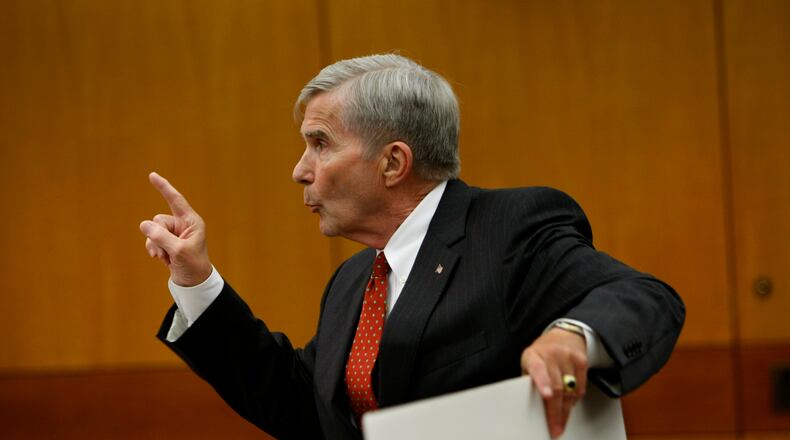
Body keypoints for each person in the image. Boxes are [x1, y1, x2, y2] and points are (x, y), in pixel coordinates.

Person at [139, 54, 684, 440]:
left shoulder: (509, 230)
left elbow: (645, 297)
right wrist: (198, 283)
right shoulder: (354, 281)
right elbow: (304, 408)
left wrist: (572, 336)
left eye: (320, 144)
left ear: (393, 163)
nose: (299, 171)